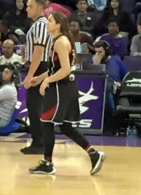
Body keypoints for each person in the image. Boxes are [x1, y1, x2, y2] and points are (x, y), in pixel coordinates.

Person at [28, 12, 105, 175]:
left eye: (50, 21)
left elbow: (65, 69)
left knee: (46, 122)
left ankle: (47, 163)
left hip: (60, 88)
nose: (47, 23)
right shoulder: (60, 40)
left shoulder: (60, 42)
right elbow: (55, 68)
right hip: (67, 86)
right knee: (65, 127)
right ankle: (93, 153)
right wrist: (39, 78)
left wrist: (47, 81)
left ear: (58, 24)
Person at [21, 0, 52, 155]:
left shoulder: (40, 25)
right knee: (35, 106)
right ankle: (39, 141)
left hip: (40, 67)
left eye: (30, 6)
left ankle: (39, 143)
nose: (27, 9)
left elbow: (39, 52)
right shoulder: (38, 25)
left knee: (35, 107)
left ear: (40, 8)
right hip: (37, 65)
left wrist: (30, 76)